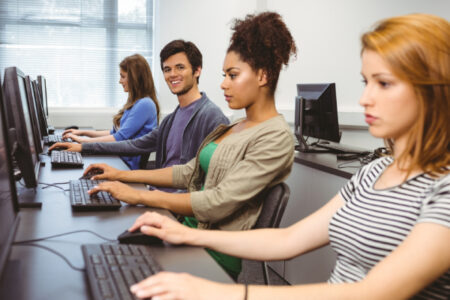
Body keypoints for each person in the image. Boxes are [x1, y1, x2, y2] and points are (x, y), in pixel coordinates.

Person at [126, 13, 450, 300]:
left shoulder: (444, 189)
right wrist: (186, 233)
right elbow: (290, 239)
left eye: (384, 83)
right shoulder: (373, 172)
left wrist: (215, 292)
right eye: (366, 82)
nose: (365, 98)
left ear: (434, 90)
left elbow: (371, 292)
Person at [85, 12, 296, 278]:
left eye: (232, 75)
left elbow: (218, 202)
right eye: (224, 75)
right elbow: (186, 172)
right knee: (103, 256)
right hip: (187, 229)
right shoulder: (234, 126)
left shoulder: (275, 136)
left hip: (211, 249)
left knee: (115, 272)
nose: (223, 84)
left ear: (263, 76)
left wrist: (140, 195)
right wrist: (121, 176)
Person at [50, 40, 229, 173]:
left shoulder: (212, 118)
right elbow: (134, 145)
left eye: (180, 67)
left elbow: (208, 184)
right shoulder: (171, 120)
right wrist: (83, 147)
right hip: (159, 192)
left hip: (176, 206)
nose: (172, 74)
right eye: (167, 69)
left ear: (197, 70)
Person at [60, 54, 160, 170]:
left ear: (134, 79)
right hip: (118, 158)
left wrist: (84, 143)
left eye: (123, 77)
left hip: (126, 166)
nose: (119, 81)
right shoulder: (135, 102)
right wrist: (82, 133)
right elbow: (114, 133)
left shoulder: (145, 105)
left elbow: (119, 137)